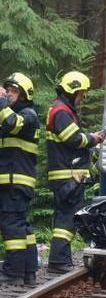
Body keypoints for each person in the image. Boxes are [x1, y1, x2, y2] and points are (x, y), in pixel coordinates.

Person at [46, 71, 106, 273]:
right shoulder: (62, 111)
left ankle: (60, 259)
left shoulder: (61, 109)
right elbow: (74, 139)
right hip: (67, 176)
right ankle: (57, 262)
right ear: (73, 92)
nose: (83, 98)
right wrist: (93, 139)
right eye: (81, 93)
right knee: (67, 219)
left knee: (67, 218)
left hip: (67, 176)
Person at [0, 73, 40, 284]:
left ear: (25, 95)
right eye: (7, 90)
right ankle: (28, 271)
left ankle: (12, 273)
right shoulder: (11, 116)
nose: (9, 94)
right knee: (22, 227)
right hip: (12, 181)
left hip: (16, 182)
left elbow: (12, 122)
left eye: (14, 91)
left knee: (12, 226)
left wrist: (0, 102)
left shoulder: (28, 115)